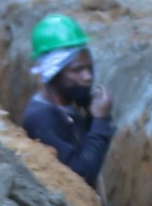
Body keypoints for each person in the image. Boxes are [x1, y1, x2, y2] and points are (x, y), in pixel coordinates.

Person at [19, 14, 115, 187]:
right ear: (54, 73)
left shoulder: (67, 106)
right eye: (77, 70)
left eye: (89, 68)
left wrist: (90, 117)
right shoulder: (42, 118)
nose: (88, 77)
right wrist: (100, 121)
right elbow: (79, 176)